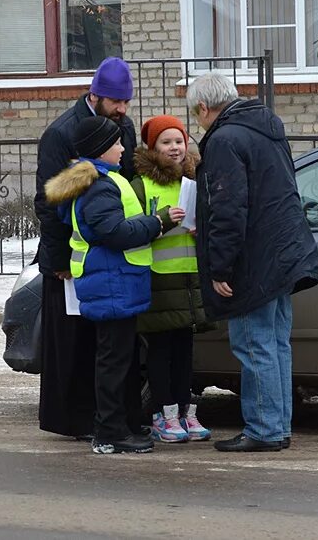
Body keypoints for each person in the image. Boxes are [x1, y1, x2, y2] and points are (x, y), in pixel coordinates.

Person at [187, 73, 318, 453]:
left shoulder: (225, 140)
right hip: (281, 253)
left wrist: (220, 266)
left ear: (203, 108)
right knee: (276, 343)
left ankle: (263, 429)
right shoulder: (265, 129)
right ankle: (277, 427)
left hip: (252, 259)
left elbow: (229, 208)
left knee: (254, 344)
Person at [44, 116, 181, 454]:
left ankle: (119, 425)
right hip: (111, 281)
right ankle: (109, 431)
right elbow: (115, 232)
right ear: (100, 149)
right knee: (113, 360)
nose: (123, 148)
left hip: (115, 281)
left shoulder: (102, 180)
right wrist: (157, 222)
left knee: (118, 358)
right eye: (117, 143)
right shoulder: (101, 185)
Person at [34, 57, 139, 440]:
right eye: (116, 102)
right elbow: (48, 201)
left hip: (110, 251)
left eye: (126, 102)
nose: (123, 110)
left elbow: (127, 182)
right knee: (72, 341)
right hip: (71, 258)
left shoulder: (121, 126)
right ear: (95, 95)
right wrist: (59, 258)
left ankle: (108, 416)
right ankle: (74, 419)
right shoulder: (61, 133)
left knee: (107, 344)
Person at [129, 115, 210, 443]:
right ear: (153, 148)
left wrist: (199, 226)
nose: (175, 148)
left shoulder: (193, 180)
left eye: (179, 140)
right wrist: (160, 222)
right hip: (160, 280)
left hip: (189, 280)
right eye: (166, 142)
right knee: (161, 351)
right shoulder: (143, 184)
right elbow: (132, 229)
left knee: (185, 350)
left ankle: (185, 413)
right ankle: (164, 414)